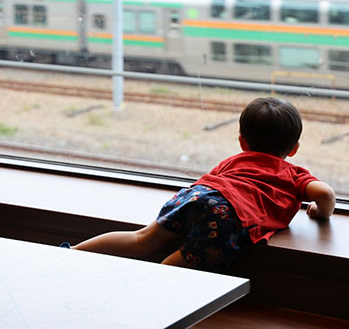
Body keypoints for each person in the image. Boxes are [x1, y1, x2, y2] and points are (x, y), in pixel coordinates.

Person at [71, 97, 335, 273]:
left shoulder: (232, 161)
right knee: (172, 269)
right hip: (229, 218)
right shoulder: (292, 173)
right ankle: (151, 288)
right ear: (295, 148)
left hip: (196, 196)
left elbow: (212, 183)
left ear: (242, 142)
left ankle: (70, 254)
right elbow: (324, 192)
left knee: (141, 240)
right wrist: (318, 211)